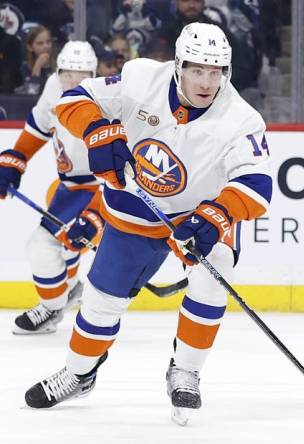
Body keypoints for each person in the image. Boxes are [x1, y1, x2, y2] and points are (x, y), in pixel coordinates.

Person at [23, 23, 273, 426]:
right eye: (197, 70)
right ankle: (79, 373)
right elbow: (75, 100)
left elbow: (256, 184)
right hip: (132, 209)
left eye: (216, 71)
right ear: (178, 66)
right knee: (101, 301)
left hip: (195, 218)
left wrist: (216, 215)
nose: (207, 82)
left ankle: (186, 370)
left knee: (217, 270)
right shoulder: (141, 78)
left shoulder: (242, 119)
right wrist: (97, 130)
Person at [0, 41, 100, 334]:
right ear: (59, 71)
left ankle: (52, 308)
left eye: (82, 75)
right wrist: (13, 160)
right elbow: (37, 129)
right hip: (70, 187)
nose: (74, 81)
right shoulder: (53, 87)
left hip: (103, 190)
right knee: (65, 245)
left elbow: (126, 169)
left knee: (43, 247)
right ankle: (67, 292)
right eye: (68, 73)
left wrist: (96, 215)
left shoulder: (109, 100)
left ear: (93, 74)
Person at [16, 25, 54, 95]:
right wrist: (37, 66)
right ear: (30, 47)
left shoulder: (60, 65)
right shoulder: (25, 68)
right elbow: (32, 92)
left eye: (48, 42)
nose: (46, 46)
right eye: (40, 43)